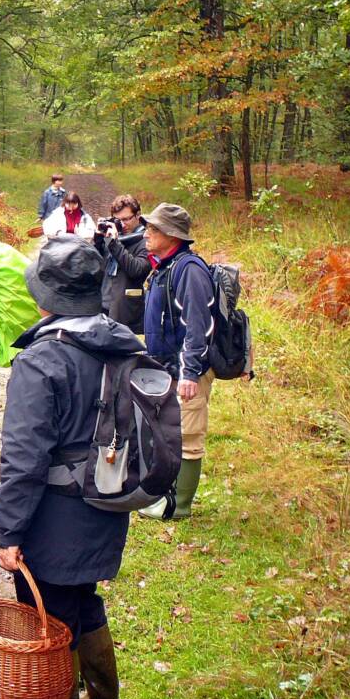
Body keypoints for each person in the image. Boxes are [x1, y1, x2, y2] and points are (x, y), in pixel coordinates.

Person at [0, 234, 144, 699]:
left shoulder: (41, 360)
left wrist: (10, 531)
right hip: (104, 502)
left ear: (45, 296)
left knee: (50, 625)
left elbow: (23, 460)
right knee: (84, 599)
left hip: (52, 520)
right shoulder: (119, 344)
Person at [137, 204, 214, 521]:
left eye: (153, 229)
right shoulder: (163, 267)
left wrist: (191, 372)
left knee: (189, 436)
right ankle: (166, 497)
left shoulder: (190, 270)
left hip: (188, 370)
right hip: (167, 365)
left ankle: (180, 507)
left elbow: (200, 325)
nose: (146, 233)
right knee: (170, 432)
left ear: (171, 235)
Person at [95, 194, 149, 334]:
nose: (122, 225)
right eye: (118, 220)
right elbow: (94, 266)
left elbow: (137, 270)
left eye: (126, 219)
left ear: (138, 215)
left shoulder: (146, 239)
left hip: (125, 308)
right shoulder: (113, 235)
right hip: (103, 303)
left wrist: (114, 244)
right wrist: (97, 242)